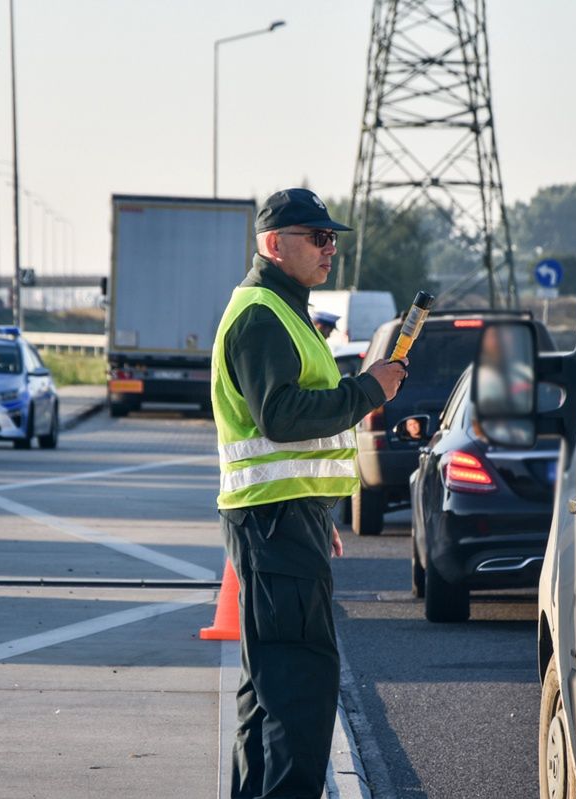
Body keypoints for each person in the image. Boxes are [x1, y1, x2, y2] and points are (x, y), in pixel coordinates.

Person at [211, 188, 407, 799]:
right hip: (274, 525)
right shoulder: (263, 313)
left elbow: (287, 435)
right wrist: (366, 391)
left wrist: (317, 511)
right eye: (316, 238)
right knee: (299, 689)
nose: (330, 249)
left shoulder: (282, 310)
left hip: (283, 519)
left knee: (272, 689)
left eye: (332, 239)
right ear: (275, 244)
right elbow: (281, 415)